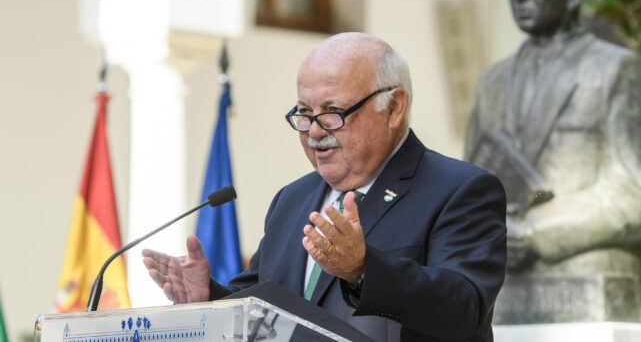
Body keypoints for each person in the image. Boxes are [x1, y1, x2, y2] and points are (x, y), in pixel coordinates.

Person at [143, 33, 507, 341]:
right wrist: (208, 296)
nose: (315, 131)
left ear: (394, 108)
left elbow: (465, 307)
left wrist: (364, 270)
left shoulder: (460, 191)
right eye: (304, 113)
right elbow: (264, 303)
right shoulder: (292, 199)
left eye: (333, 111)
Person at [464, 0, 641, 276]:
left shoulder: (616, 70)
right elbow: (470, 192)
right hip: (504, 284)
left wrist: (535, 232)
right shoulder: (492, 82)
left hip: (584, 273)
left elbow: (636, 200)